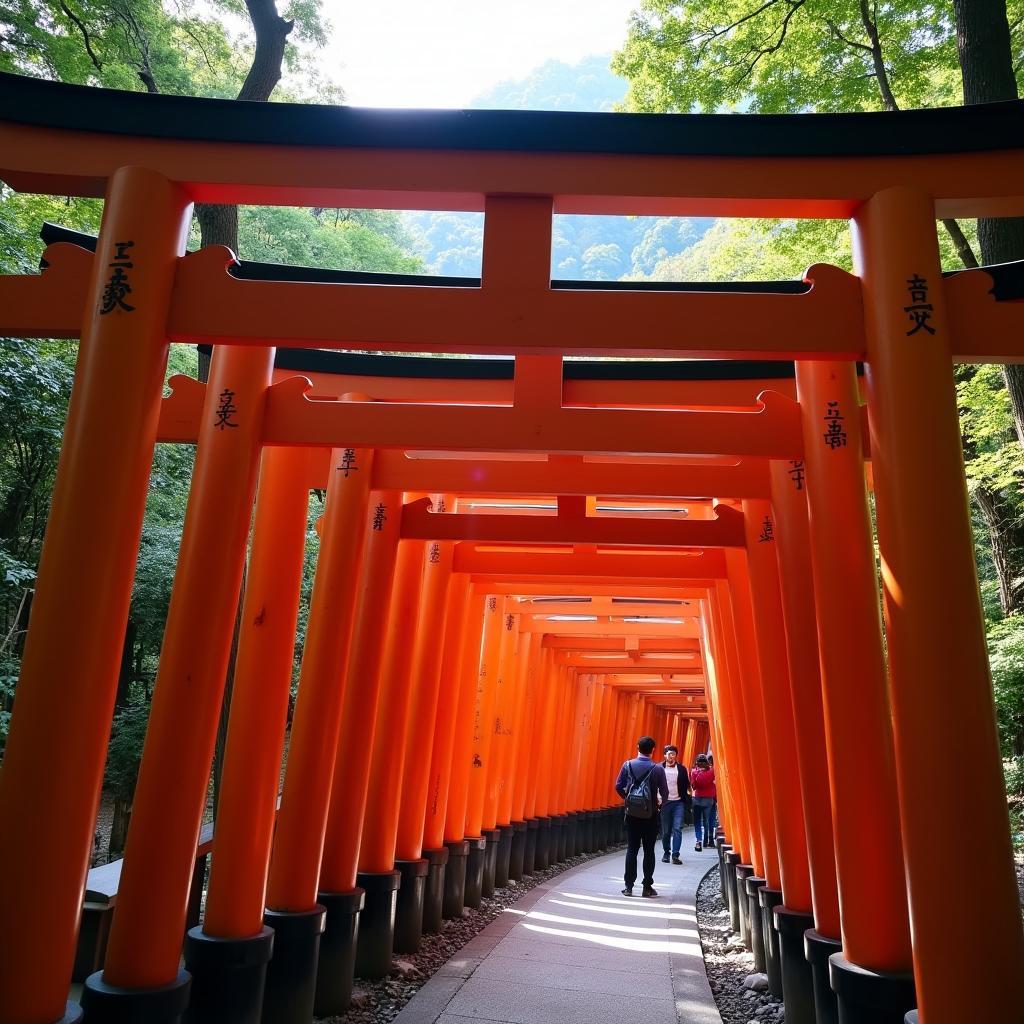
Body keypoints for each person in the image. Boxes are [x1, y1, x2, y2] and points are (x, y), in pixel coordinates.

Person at [614, 736, 669, 897]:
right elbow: (665, 792)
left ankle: (629, 886)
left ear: (637, 747)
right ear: (653, 750)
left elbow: (618, 786)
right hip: (650, 815)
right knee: (649, 851)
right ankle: (647, 887)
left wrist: (628, 800)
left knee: (632, 849)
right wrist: (659, 805)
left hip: (631, 815)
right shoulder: (657, 769)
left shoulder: (628, 765)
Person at [659, 744, 689, 865]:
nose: (672, 756)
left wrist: (688, 797)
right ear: (665, 755)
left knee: (677, 828)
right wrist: (658, 798)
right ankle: (666, 852)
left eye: (674, 754)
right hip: (665, 803)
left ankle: (675, 855)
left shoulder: (681, 769)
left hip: (678, 802)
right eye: (669, 753)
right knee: (666, 831)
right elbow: (655, 784)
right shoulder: (659, 768)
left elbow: (687, 784)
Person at [690, 752, 716, 852]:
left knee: (697, 821)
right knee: (706, 820)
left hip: (697, 799)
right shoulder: (712, 772)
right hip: (709, 799)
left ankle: (699, 840)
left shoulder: (694, 772)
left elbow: (694, 786)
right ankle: (706, 841)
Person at [706, 753, 719, 841]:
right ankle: (710, 838)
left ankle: (706, 839)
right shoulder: (716, 770)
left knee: (707, 818)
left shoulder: (706, 770)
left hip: (707, 797)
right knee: (712, 818)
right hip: (714, 797)